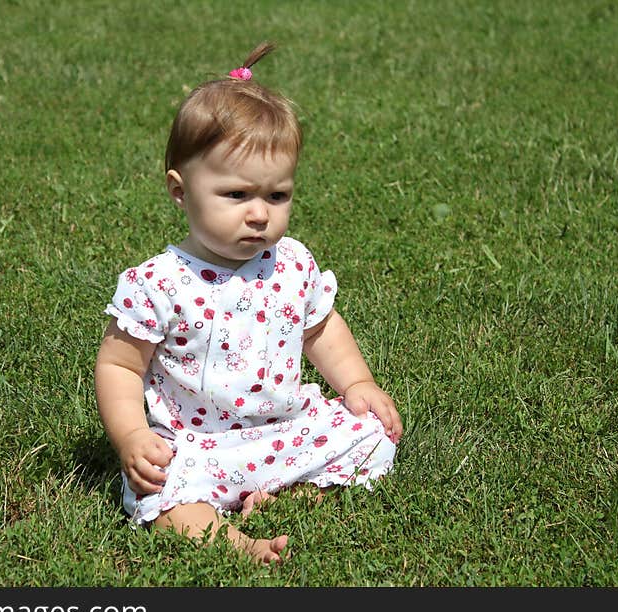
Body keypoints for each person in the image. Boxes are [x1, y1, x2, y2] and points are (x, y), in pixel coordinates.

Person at [94, 41, 402, 564]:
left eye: (276, 196)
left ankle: (290, 494)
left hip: (280, 430)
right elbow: (120, 365)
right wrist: (131, 437)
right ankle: (236, 544)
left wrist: (357, 383)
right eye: (236, 196)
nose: (259, 214)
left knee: (373, 436)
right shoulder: (158, 283)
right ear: (180, 190)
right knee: (160, 488)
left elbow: (321, 330)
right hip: (193, 445)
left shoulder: (292, 263)